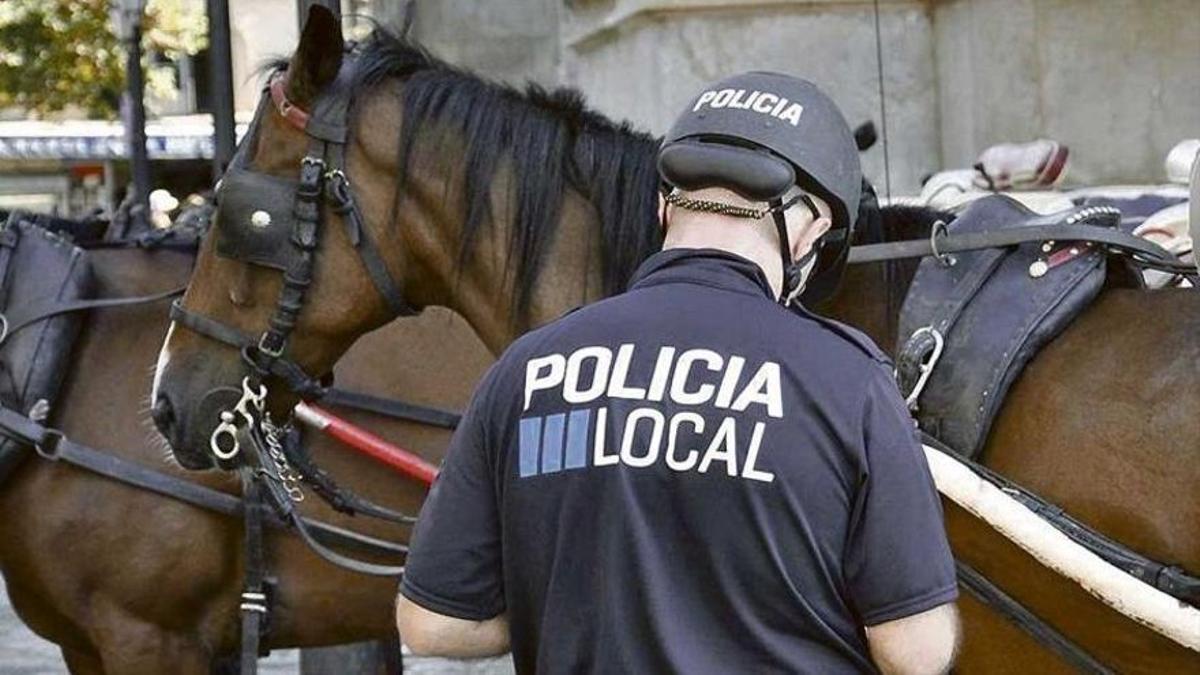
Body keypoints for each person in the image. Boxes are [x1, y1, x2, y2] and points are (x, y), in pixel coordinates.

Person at [396, 72, 960, 674]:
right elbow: (915, 654)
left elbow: (432, 622)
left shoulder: (526, 371)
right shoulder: (850, 381)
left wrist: (571, 606)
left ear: (664, 204)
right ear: (809, 228)